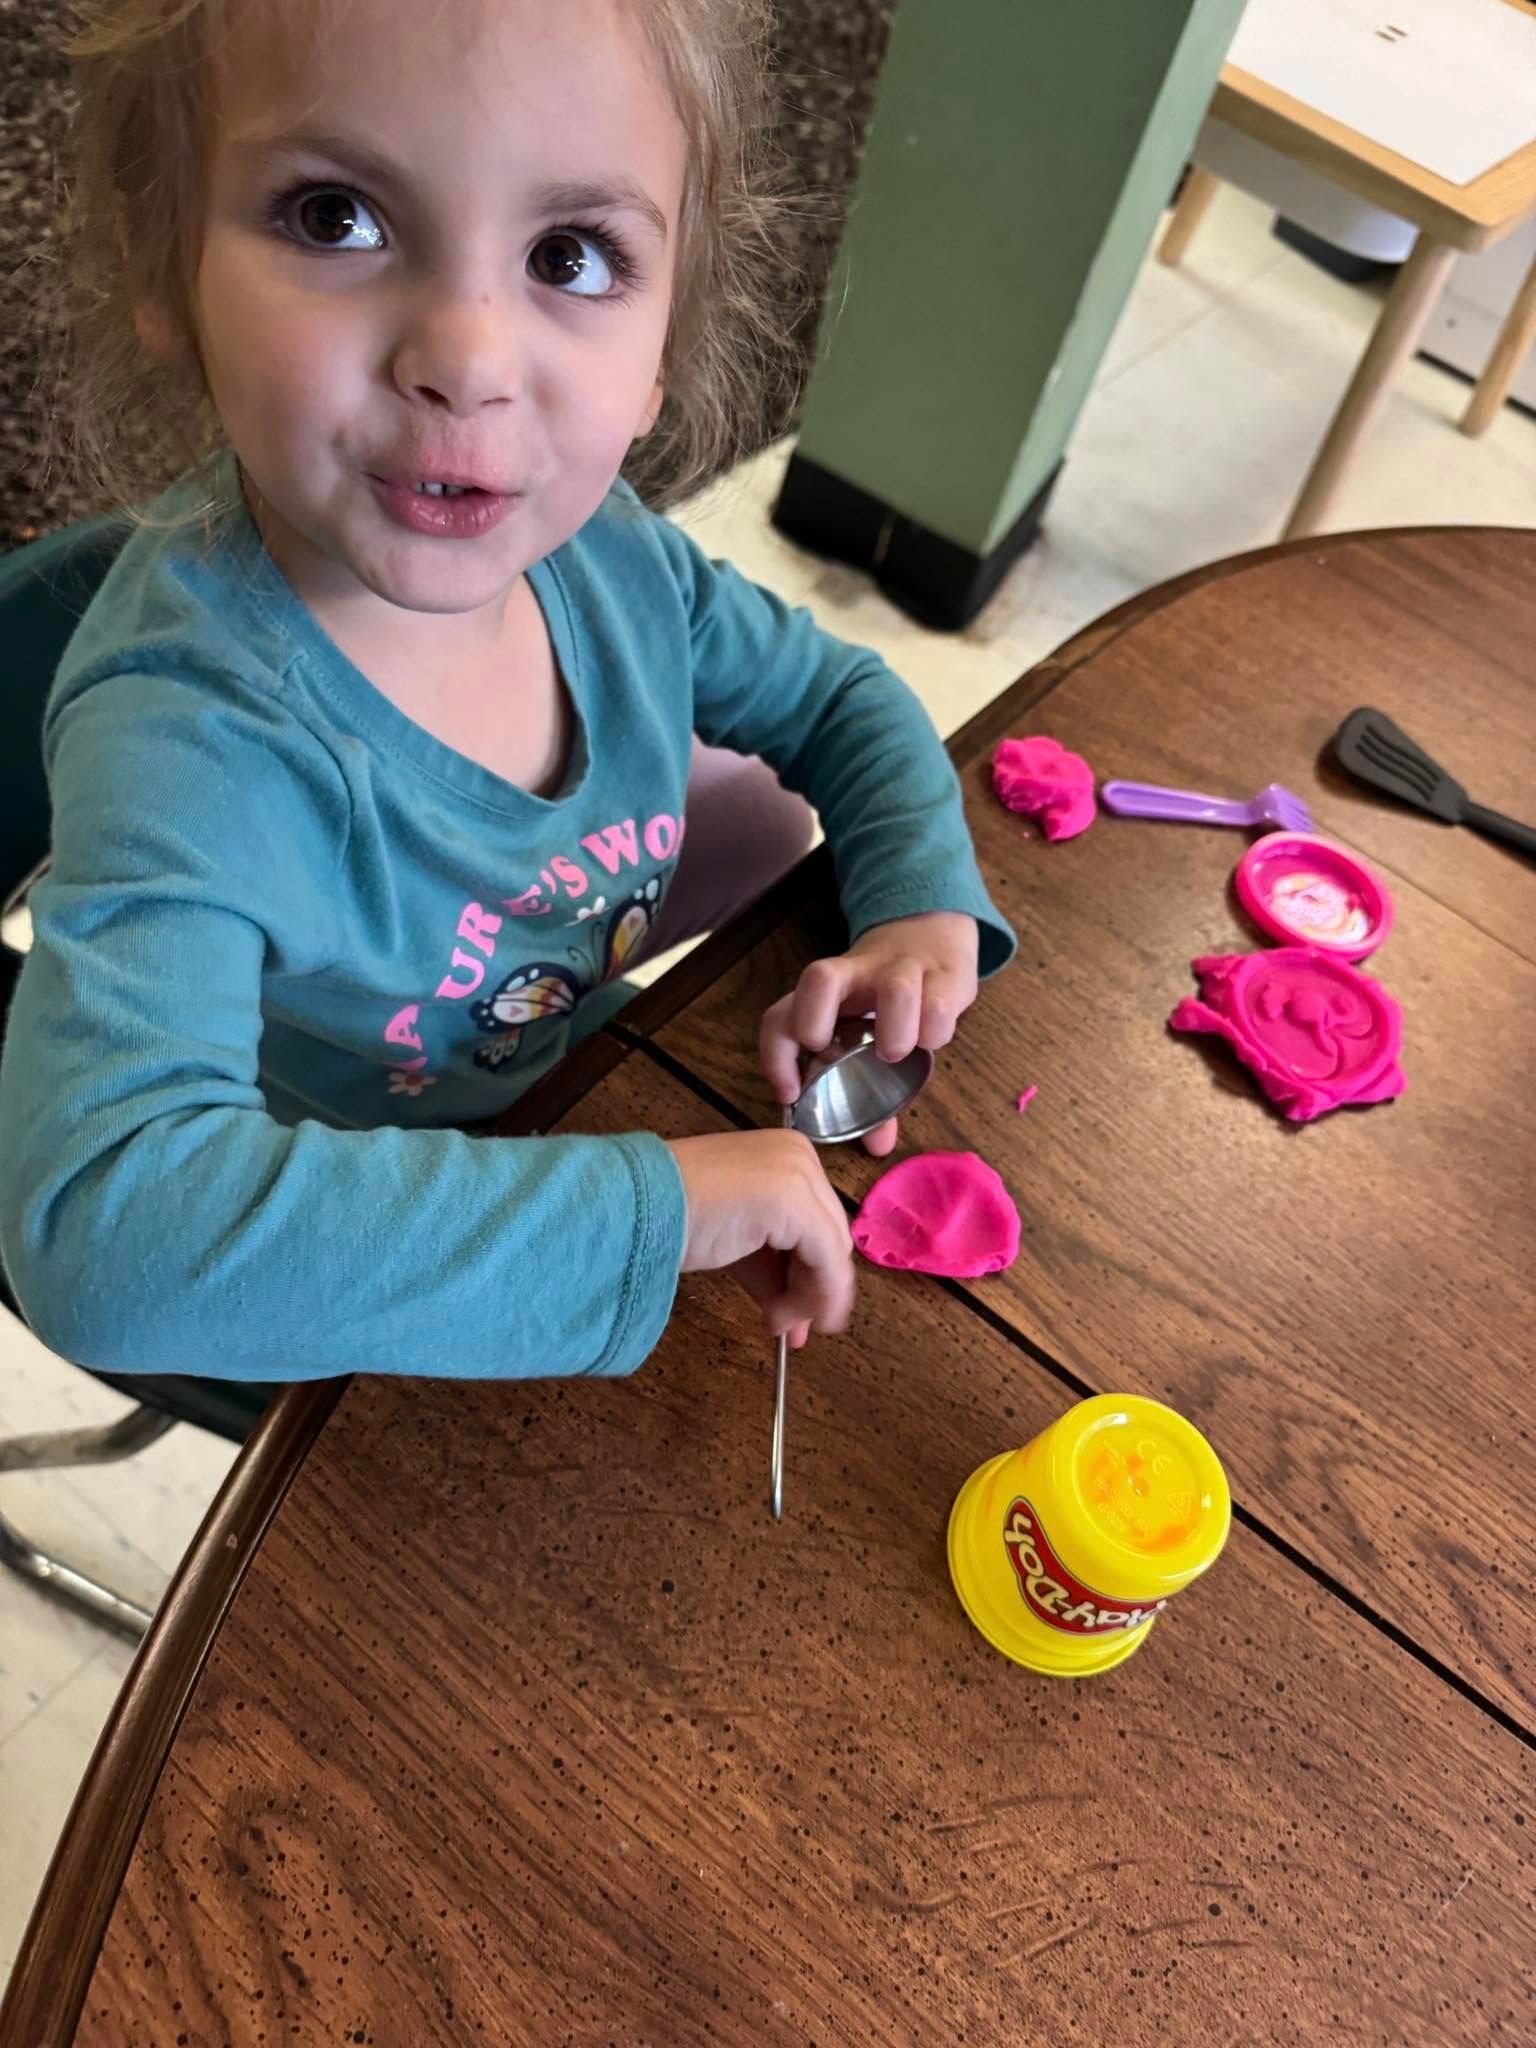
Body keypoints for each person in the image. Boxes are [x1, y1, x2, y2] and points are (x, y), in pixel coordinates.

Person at [0, 0, 1012, 1384]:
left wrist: (914, 904)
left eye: (570, 254)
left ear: (666, 341)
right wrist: (657, 1207)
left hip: (568, 1075)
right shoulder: (191, 738)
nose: (466, 362)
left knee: (777, 832)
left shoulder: (612, 563)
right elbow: (108, 1240)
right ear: (163, 261)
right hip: (365, 1227)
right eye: (335, 217)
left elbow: (845, 699)